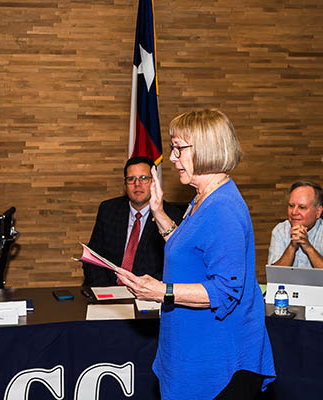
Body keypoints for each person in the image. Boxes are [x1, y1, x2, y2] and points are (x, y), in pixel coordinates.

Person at [116, 109, 275, 399]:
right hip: (192, 350)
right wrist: (159, 213)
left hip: (218, 361)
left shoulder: (222, 207)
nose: (173, 157)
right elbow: (189, 246)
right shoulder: (202, 197)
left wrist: (162, 291)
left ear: (205, 149)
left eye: (179, 148)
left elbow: (226, 291)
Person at [82, 157, 184, 286]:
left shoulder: (170, 217)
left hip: (149, 293)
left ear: (154, 181)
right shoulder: (108, 210)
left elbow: (173, 267)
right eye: (131, 179)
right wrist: (107, 290)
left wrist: (144, 289)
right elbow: (93, 258)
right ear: (125, 184)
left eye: (143, 178)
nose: (137, 184)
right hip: (108, 292)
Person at [268, 181, 323, 286]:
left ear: (318, 211)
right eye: (291, 206)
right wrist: (292, 247)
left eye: (302, 207)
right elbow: (273, 281)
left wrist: (308, 247)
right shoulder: (280, 230)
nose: (294, 212)